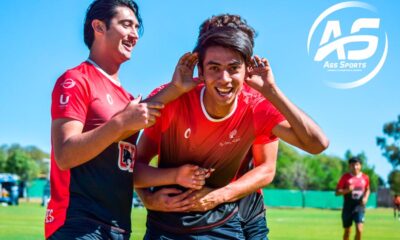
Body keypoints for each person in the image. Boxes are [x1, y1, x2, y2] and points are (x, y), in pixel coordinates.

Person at [136, 14, 329, 239]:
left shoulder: (256, 104)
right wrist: (151, 196)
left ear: (248, 67)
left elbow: (308, 148)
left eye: (234, 67)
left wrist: (272, 91)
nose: (224, 78)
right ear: (200, 68)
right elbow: (131, 163)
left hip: (238, 209)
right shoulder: (173, 99)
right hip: (173, 221)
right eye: (214, 67)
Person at [45, 0, 208, 239]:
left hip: (117, 226)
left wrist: (176, 88)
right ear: (99, 27)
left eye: (136, 27)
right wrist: (121, 123)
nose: (134, 35)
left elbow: (128, 151)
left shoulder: (126, 98)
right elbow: (65, 155)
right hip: (77, 223)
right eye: (126, 25)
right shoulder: (76, 80)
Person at [336, 157, 370, 240]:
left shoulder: (365, 178)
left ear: (360, 166)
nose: (355, 167)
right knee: (347, 231)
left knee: (359, 229)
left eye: (357, 165)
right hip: (347, 207)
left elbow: (368, 189)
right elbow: (337, 192)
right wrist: (347, 190)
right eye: (352, 165)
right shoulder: (345, 177)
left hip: (359, 207)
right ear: (349, 166)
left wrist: (365, 198)